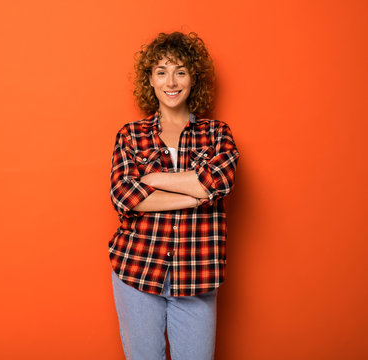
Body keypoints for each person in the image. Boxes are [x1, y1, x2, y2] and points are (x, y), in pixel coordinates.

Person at [108, 31, 240, 360]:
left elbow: (219, 182)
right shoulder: (131, 134)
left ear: (193, 79)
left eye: (180, 71)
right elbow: (125, 195)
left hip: (198, 271)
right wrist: (197, 195)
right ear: (149, 80)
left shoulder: (217, 133)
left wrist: (152, 178)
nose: (172, 81)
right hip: (137, 267)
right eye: (162, 72)